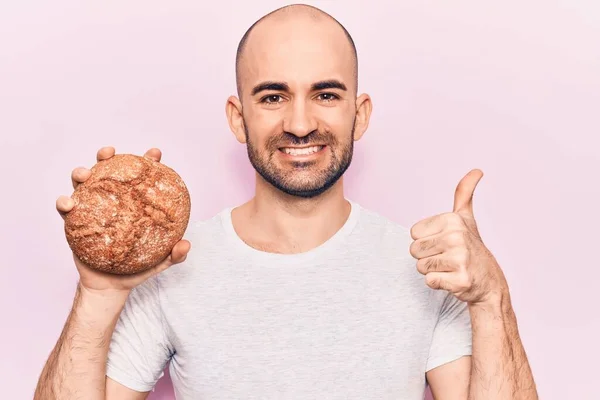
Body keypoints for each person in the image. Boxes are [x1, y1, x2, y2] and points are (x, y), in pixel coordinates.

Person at [35, 4, 537, 400]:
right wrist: (98, 294)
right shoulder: (172, 269)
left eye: (326, 95)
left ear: (360, 114)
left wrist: (492, 298)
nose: (299, 123)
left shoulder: (427, 267)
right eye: (273, 96)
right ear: (238, 118)